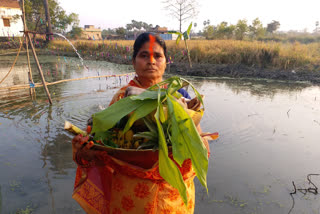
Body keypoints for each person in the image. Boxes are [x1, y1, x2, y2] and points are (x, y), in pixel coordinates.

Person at [72, 32, 209, 214]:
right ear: (134, 61)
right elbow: (105, 144)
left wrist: (197, 148)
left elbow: (201, 144)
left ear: (166, 61)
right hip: (131, 196)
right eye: (144, 55)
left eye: (157, 56)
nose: (151, 61)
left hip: (173, 195)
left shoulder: (180, 98)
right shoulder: (122, 99)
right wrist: (86, 152)